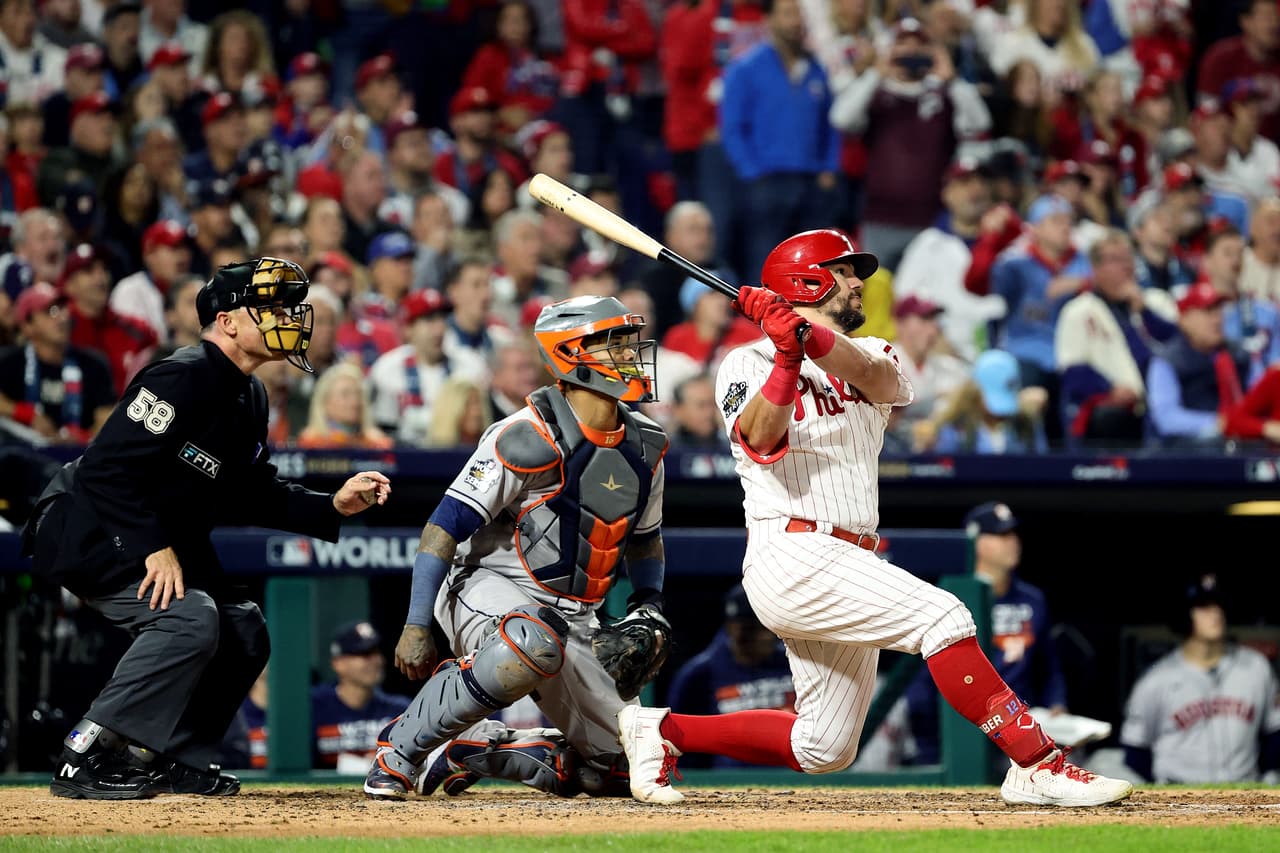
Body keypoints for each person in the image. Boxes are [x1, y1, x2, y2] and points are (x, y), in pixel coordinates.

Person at [616, 229, 1133, 807]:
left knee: (824, 745)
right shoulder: (746, 360)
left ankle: (660, 732)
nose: (860, 282)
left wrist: (805, 337)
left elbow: (880, 379)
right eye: (845, 271)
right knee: (945, 617)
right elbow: (761, 438)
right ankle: (1038, 763)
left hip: (849, 554)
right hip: (792, 551)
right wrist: (786, 356)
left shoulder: (878, 354)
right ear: (807, 280)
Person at [20, 257, 392, 799]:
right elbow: (105, 469)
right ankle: (87, 753)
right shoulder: (182, 374)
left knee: (244, 629)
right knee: (189, 618)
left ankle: (173, 757)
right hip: (88, 528)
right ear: (229, 322)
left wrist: (330, 504)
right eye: (270, 307)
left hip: (158, 531)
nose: (286, 316)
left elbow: (251, 490)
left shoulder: (251, 394)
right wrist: (152, 548)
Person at [363, 295, 670, 800]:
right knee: (530, 642)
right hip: (485, 587)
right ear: (570, 353)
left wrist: (650, 605)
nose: (629, 354)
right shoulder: (524, 435)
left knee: (620, 765)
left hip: (575, 615)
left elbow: (645, 538)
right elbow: (443, 526)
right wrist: (417, 622)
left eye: (628, 342)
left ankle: (480, 751)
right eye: (613, 343)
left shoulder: (647, 442)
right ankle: (399, 751)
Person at [1121, 575, 1280, 783]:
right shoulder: (1156, 680)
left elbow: (1274, 733)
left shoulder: (1256, 667)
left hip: (1243, 793)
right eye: (1204, 607)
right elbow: (1135, 750)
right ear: (1184, 616)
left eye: (1219, 606)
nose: (1216, 613)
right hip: (1181, 798)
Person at [666, 584, 793, 768]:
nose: (762, 638)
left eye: (762, 629)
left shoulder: (794, 663)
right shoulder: (699, 673)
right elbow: (679, 740)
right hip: (728, 782)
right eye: (748, 630)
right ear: (731, 629)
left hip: (795, 776)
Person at [0, 282, 117, 443]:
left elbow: (106, 417)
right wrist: (26, 414)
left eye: (63, 308)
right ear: (27, 325)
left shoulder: (94, 364)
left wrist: (84, 438)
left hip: (79, 459)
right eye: (50, 311)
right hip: (20, 457)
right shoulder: (9, 362)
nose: (62, 317)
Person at [313, 622, 411, 773]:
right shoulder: (314, 707)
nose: (376, 661)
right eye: (365, 654)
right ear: (338, 663)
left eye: (377, 653)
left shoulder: (400, 709)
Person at [297, 362, 393, 450]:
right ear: (324, 402)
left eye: (358, 394)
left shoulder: (378, 445)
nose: (355, 402)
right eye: (345, 394)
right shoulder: (309, 445)